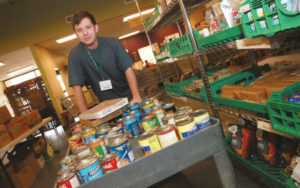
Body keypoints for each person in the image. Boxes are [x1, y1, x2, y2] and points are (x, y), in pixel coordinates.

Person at [68, 11, 142, 113]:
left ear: (96, 28)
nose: (85, 33)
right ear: (76, 34)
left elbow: (128, 69)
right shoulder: (75, 56)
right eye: (79, 30)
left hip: (129, 100)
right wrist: (85, 116)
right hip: (106, 109)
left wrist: (136, 96)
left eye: (88, 27)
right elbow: (76, 88)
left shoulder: (112, 43)